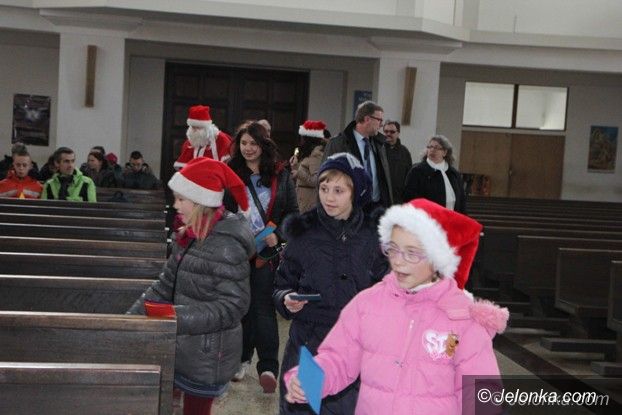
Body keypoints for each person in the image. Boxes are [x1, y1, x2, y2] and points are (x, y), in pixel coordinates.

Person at [284, 198, 509, 414]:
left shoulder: (462, 318)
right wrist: (309, 381)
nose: (398, 261)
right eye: (392, 248)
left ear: (437, 258)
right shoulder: (368, 304)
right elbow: (339, 358)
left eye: (411, 253)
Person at [128, 157, 255, 415]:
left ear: (200, 202)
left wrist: (177, 317)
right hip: (180, 345)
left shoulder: (226, 245)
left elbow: (233, 306)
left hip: (208, 353)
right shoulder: (189, 234)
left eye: (181, 199)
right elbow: (165, 284)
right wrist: (130, 319)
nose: (175, 205)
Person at [274, 152, 389, 414]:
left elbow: (388, 287)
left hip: (358, 346)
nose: (329, 197)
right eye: (324, 189)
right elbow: (282, 283)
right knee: (302, 405)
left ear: (355, 193)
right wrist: (285, 298)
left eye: (339, 190)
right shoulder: (303, 232)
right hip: (309, 342)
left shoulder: (374, 235)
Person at [225, 121, 299, 393]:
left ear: (263, 145)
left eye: (253, 144)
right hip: (237, 251)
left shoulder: (280, 174)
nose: (248, 149)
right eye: (244, 143)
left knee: (263, 307)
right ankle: (240, 359)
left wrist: (277, 234)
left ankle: (268, 366)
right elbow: (221, 209)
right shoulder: (231, 171)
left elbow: (293, 213)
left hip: (267, 253)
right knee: (240, 307)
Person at [323, 101, 393, 208]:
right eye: (379, 120)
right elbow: (326, 176)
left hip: (377, 207)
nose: (381, 124)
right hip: (351, 207)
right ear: (367, 119)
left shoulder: (379, 144)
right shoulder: (338, 143)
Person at [403, 135, 466, 213]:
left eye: (436, 148)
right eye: (430, 147)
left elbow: (462, 200)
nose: (432, 150)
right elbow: (410, 198)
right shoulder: (417, 171)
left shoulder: (454, 173)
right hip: (427, 217)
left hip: (451, 216)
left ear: (445, 152)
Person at [174, 105, 233, 169]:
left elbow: (228, 163)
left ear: (206, 127)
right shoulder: (190, 141)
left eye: (198, 127)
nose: (195, 131)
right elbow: (184, 166)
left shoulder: (221, 139)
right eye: (193, 127)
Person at [289, 120, 329, 212]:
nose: (301, 140)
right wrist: (295, 166)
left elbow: (316, 180)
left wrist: (298, 173)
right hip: (302, 200)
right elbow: (303, 173)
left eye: (303, 137)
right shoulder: (309, 153)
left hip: (309, 202)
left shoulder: (316, 155)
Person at [383, 120, 412, 204]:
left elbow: (409, 175)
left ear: (398, 133)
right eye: (386, 131)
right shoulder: (378, 149)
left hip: (399, 198)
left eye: (392, 132)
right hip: (382, 198)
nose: (388, 134)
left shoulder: (404, 152)